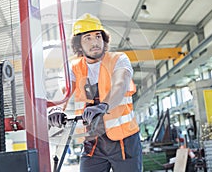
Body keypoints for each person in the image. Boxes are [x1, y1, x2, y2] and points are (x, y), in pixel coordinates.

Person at [48, 13, 142, 172]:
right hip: (93, 143)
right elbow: (64, 93)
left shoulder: (119, 59)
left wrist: (104, 105)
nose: (95, 42)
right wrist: (56, 108)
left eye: (98, 36)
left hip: (124, 141)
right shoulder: (75, 67)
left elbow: (120, 84)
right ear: (78, 44)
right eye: (88, 38)